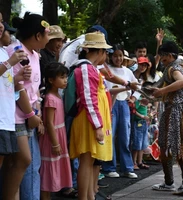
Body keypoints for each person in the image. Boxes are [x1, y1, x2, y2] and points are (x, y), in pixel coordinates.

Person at [5, 12, 49, 200]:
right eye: (47, 34)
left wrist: (36, 112)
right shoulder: (16, 51)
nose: (49, 38)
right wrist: (31, 114)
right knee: (23, 160)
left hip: (29, 115)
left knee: (18, 163)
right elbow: (18, 87)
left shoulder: (34, 55)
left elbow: (35, 89)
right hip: (16, 115)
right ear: (38, 36)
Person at [69, 32, 112, 199]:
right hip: (88, 121)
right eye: (105, 52)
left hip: (90, 120)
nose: (105, 55)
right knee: (86, 162)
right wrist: (97, 125)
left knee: (88, 161)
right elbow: (89, 99)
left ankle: (89, 196)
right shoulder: (86, 68)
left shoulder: (90, 68)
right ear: (99, 51)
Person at [0, 12, 35, 200]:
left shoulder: (4, 52)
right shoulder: (7, 55)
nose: (1, 25)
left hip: (6, 119)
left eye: (0, 20)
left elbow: (5, 85)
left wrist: (18, 77)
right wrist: (10, 62)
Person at [151, 41, 183, 196]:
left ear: (169, 56)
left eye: (162, 56)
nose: (161, 59)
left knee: (166, 146)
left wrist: (161, 91)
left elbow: (181, 83)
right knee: (181, 146)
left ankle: (170, 182)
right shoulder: (179, 68)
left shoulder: (173, 68)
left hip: (174, 112)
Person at [101, 44, 138, 179]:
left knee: (125, 136)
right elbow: (109, 90)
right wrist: (125, 87)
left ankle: (127, 167)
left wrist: (133, 97)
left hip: (124, 105)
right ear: (111, 56)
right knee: (109, 135)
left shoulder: (128, 71)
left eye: (120, 55)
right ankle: (109, 166)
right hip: (110, 104)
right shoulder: (107, 70)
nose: (118, 58)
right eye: (115, 55)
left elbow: (137, 86)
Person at [39, 62, 72, 200]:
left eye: (66, 77)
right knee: (48, 173)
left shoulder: (57, 96)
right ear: (51, 80)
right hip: (52, 138)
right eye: (62, 77)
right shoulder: (51, 99)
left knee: (54, 168)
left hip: (59, 134)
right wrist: (55, 143)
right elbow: (49, 124)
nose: (65, 80)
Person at [40, 25, 65, 89]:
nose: (60, 44)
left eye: (62, 41)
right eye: (58, 40)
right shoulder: (41, 55)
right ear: (49, 40)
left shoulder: (52, 55)